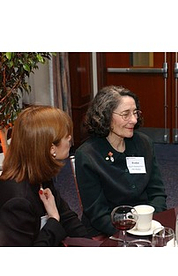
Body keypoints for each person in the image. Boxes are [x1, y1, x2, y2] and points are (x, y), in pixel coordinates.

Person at [75, 85, 167, 237]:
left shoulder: (144, 144)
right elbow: (97, 213)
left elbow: (157, 192)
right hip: (107, 231)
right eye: (126, 114)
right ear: (106, 116)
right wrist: (130, 233)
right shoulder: (88, 155)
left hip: (147, 226)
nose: (134, 119)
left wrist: (150, 222)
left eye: (135, 113)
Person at [0, 106, 88, 246]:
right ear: (51, 148)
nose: (70, 138)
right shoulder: (17, 200)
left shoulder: (39, 174)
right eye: (66, 136)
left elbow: (67, 217)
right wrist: (53, 219)